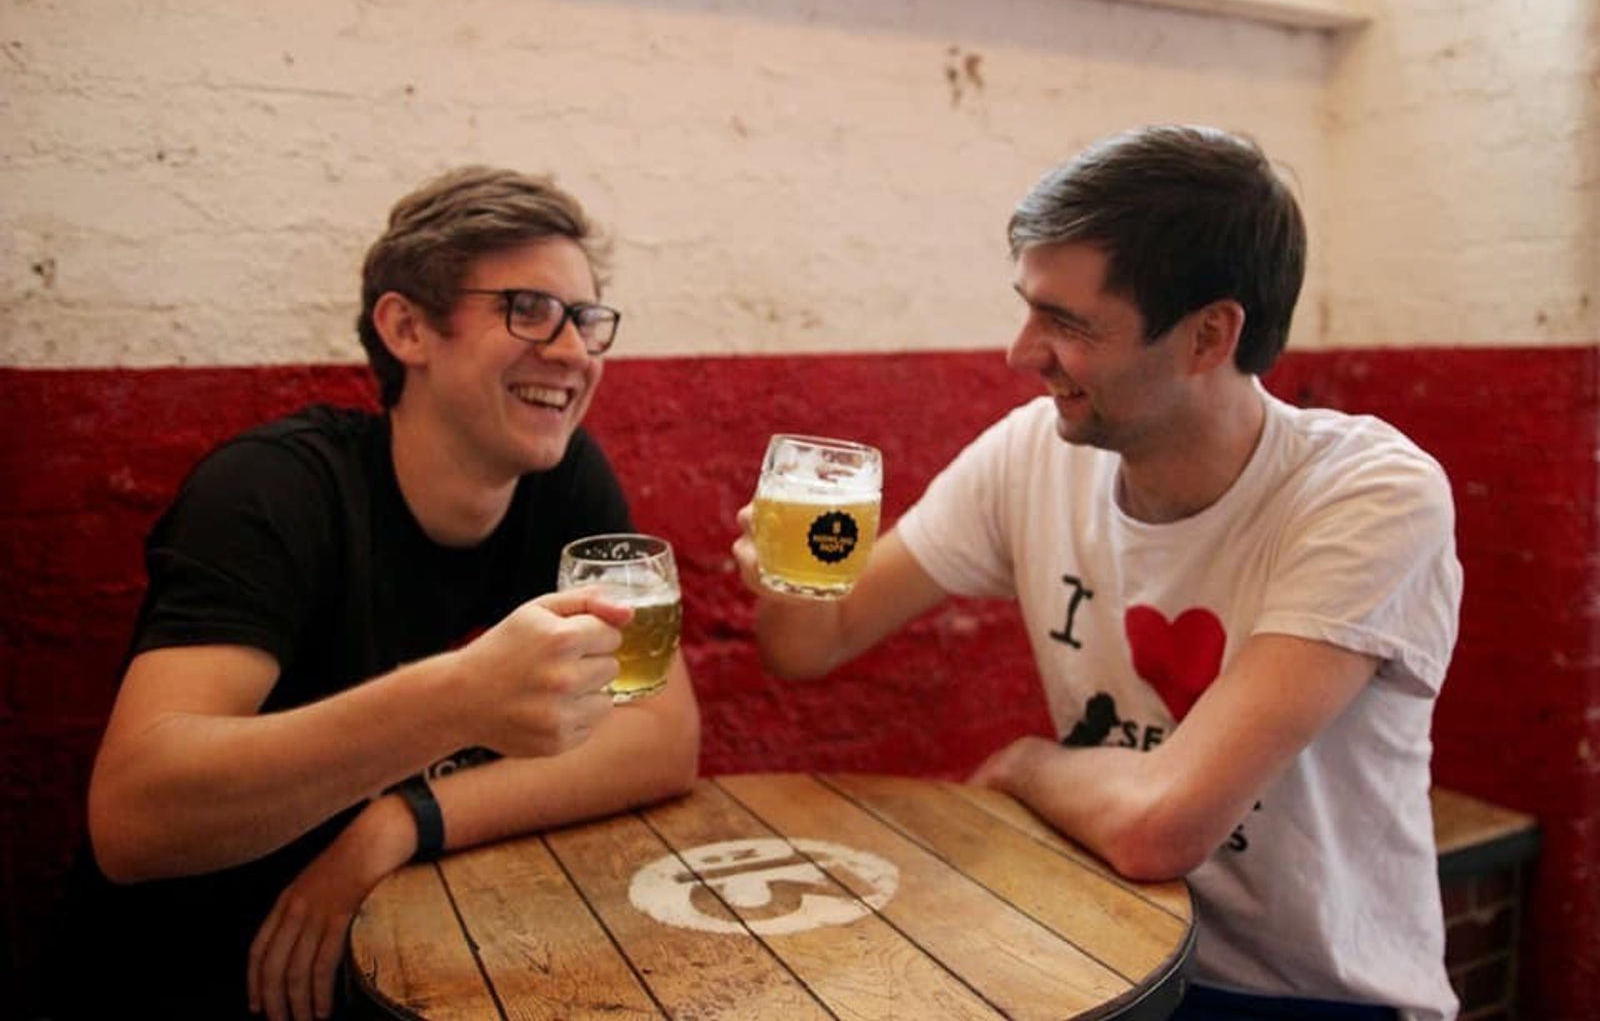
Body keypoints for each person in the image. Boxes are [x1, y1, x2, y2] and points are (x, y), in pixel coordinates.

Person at [732, 125, 1461, 1021]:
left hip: (1314, 996)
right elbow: (812, 645)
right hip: (1114, 956)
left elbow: (1162, 826)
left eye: (1068, 323)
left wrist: (1028, 765)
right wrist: (789, 569)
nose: (1020, 352)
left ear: (1208, 336)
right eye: (1030, 307)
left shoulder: (1370, 494)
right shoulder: (1032, 452)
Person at [52, 167, 701, 1021]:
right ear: (406, 328)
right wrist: (456, 700)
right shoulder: (272, 492)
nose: (575, 351)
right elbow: (134, 818)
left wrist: (402, 821)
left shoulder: (562, 479)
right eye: (529, 310)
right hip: (193, 973)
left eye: (587, 320)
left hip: (403, 949)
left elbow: (661, 734)